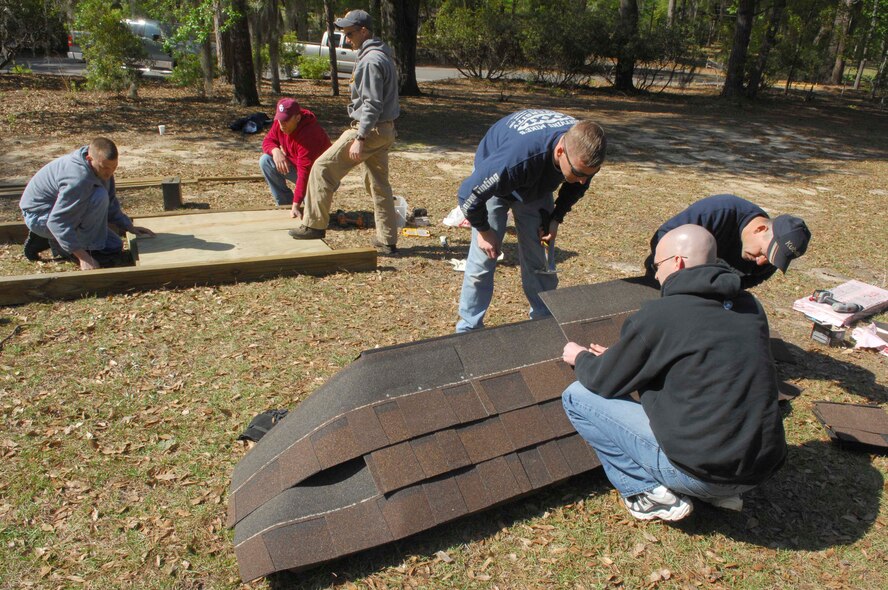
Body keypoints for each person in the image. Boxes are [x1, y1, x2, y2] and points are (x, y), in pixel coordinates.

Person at [561, 224, 787, 522]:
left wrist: (581, 358)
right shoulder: (750, 307)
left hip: (702, 473)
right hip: (760, 469)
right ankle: (723, 493)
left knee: (576, 396)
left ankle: (645, 492)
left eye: (656, 265)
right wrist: (623, 358)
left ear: (677, 262)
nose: (655, 275)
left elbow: (603, 381)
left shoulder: (661, 315)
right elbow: (695, 360)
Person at [455, 109, 607, 333]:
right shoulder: (513, 161)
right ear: (560, 150)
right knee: (483, 261)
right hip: (497, 182)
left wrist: (556, 217)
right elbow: (468, 195)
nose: (583, 180)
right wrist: (484, 231)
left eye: (589, 174)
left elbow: (577, 185)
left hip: (536, 187)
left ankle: (543, 323)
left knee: (540, 259)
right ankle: (468, 329)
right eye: (578, 173)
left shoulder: (586, 152)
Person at [289, 9, 401, 255]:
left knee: (321, 168)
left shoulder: (371, 61)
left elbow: (372, 104)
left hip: (369, 130)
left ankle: (314, 225)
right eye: (344, 33)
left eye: (350, 34)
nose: (347, 39)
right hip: (385, 130)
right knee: (379, 185)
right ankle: (387, 240)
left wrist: (360, 137)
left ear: (364, 31)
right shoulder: (381, 55)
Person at [19, 138, 154, 270]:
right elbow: (57, 222)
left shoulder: (101, 168)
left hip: (59, 213)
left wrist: (128, 226)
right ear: (90, 159)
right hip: (40, 216)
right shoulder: (78, 179)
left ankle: (51, 239)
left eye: (114, 167)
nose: (110, 172)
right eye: (105, 167)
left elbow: (111, 203)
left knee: (114, 246)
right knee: (99, 197)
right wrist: (83, 257)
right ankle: (57, 243)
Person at [645, 194, 811, 289]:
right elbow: (662, 239)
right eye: (763, 252)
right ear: (760, 230)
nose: (762, 261)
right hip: (666, 279)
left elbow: (750, 280)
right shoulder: (718, 211)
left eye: (772, 259)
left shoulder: (769, 256)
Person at [259, 98, 331, 212]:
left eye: (286, 120)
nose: (282, 124)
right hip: (299, 168)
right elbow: (268, 141)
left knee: (312, 214)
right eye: (279, 119)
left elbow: (305, 172)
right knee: (266, 161)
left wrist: (296, 204)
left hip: (321, 175)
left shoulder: (309, 134)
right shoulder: (280, 123)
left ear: (297, 118)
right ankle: (284, 205)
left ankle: (300, 206)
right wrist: (275, 151)